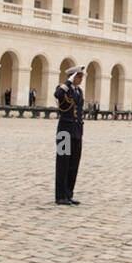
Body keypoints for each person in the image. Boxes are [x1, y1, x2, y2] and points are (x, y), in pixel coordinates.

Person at [54, 66, 86, 205]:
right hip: (64, 132)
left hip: (76, 132)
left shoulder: (79, 91)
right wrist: (68, 82)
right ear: (72, 77)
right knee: (62, 163)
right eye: (78, 77)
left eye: (81, 77)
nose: (81, 79)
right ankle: (60, 196)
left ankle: (68, 193)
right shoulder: (63, 89)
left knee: (73, 164)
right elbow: (58, 95)